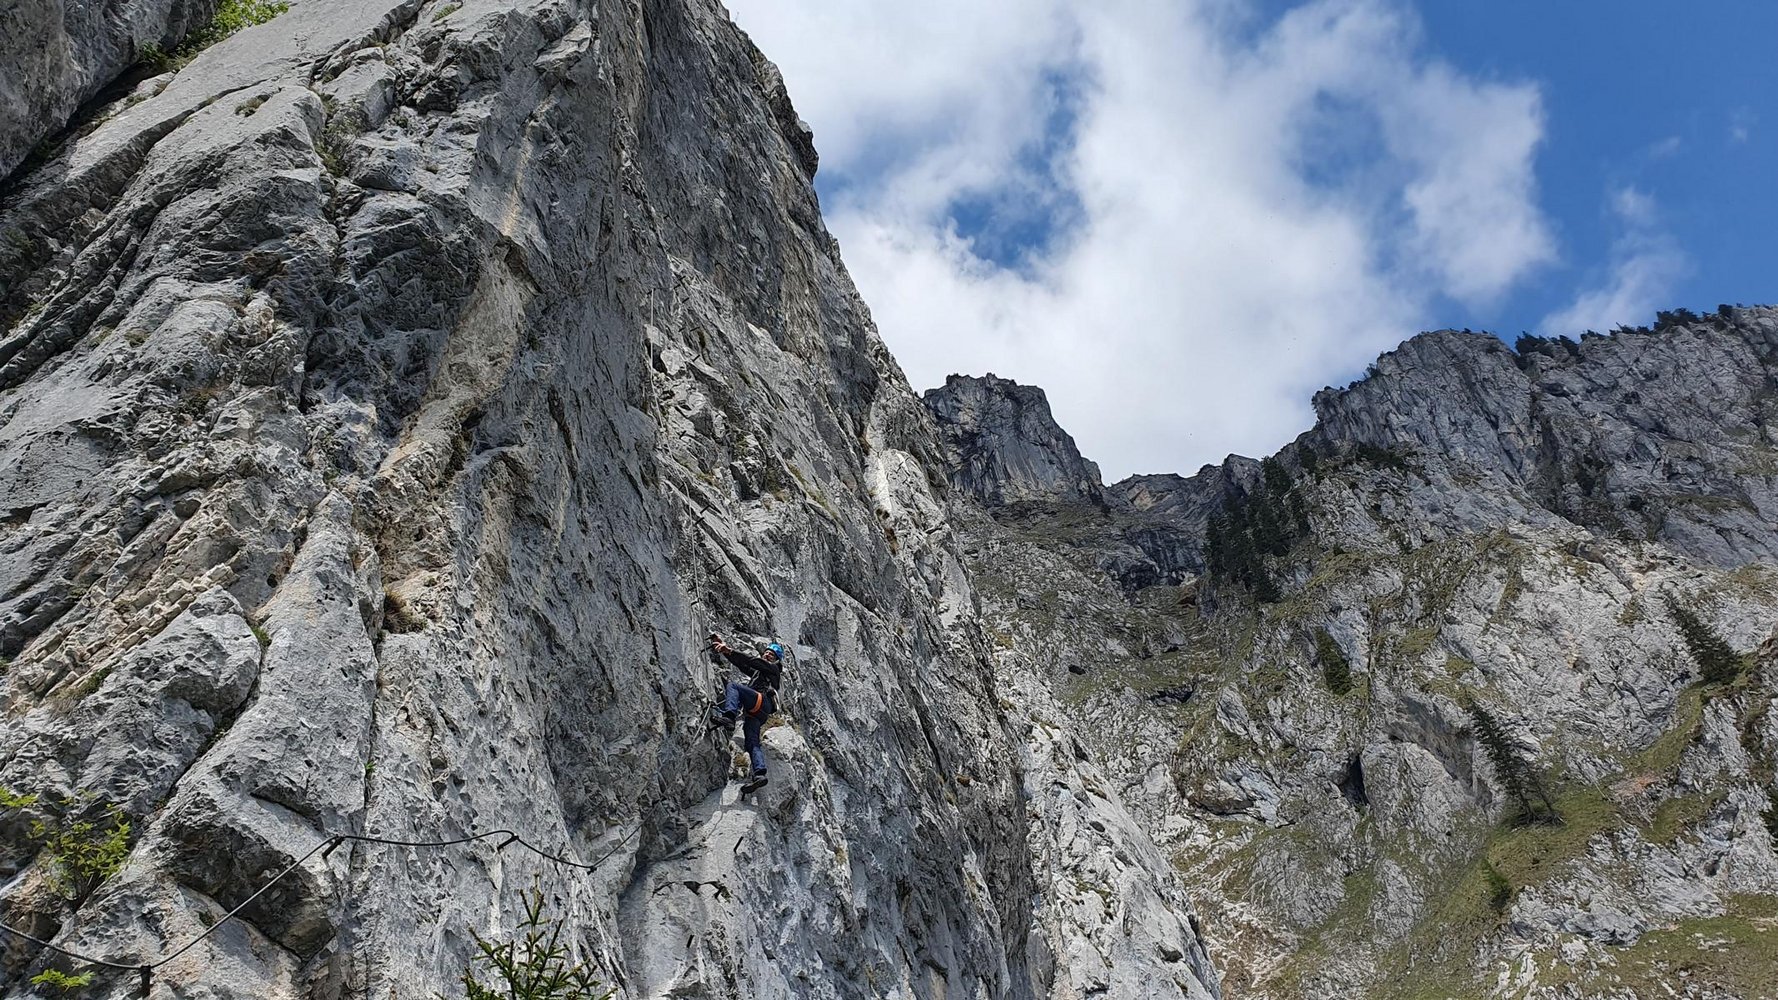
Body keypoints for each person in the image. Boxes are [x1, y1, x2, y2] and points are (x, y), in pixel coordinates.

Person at [708, 634, 784, 791]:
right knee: (752, 741)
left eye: (772, 654)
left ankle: (729, 716)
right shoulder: (761, 672)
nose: (767, 655)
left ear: (776, 659)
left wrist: (730, 650)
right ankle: (760, 774)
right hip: (759, 713)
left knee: (733, 686)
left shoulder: (774, 669)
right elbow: (743, 664)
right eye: (766, 652)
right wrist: (726, 651)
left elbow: (752, 661)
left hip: (761, 700)